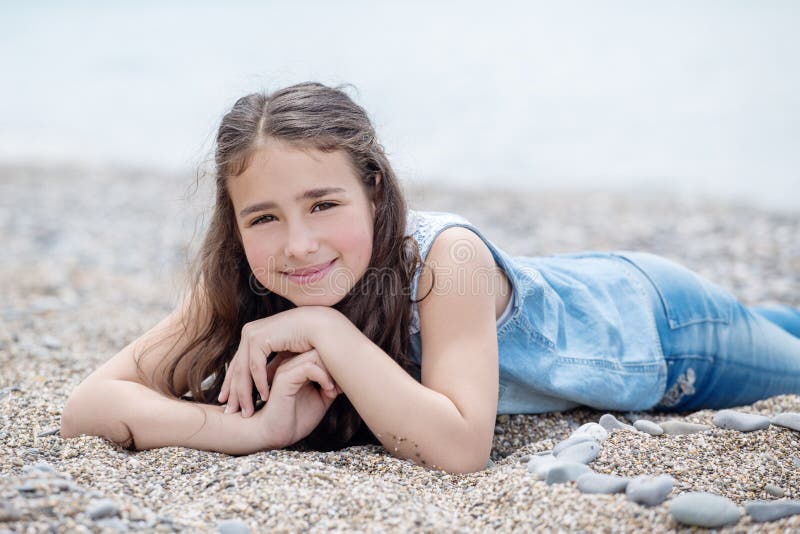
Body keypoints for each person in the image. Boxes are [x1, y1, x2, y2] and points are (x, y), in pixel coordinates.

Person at [60, 81, 800, 475]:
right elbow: (89, 406)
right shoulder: (240, 278)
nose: (298, 244)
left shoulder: (449, 259)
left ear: (375, 190)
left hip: (662, 330)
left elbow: (458, 448)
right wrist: (249, 432)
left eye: (324, 204)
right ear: (234, 221)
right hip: (571, 291)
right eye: (264, 218)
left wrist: (321, 327)